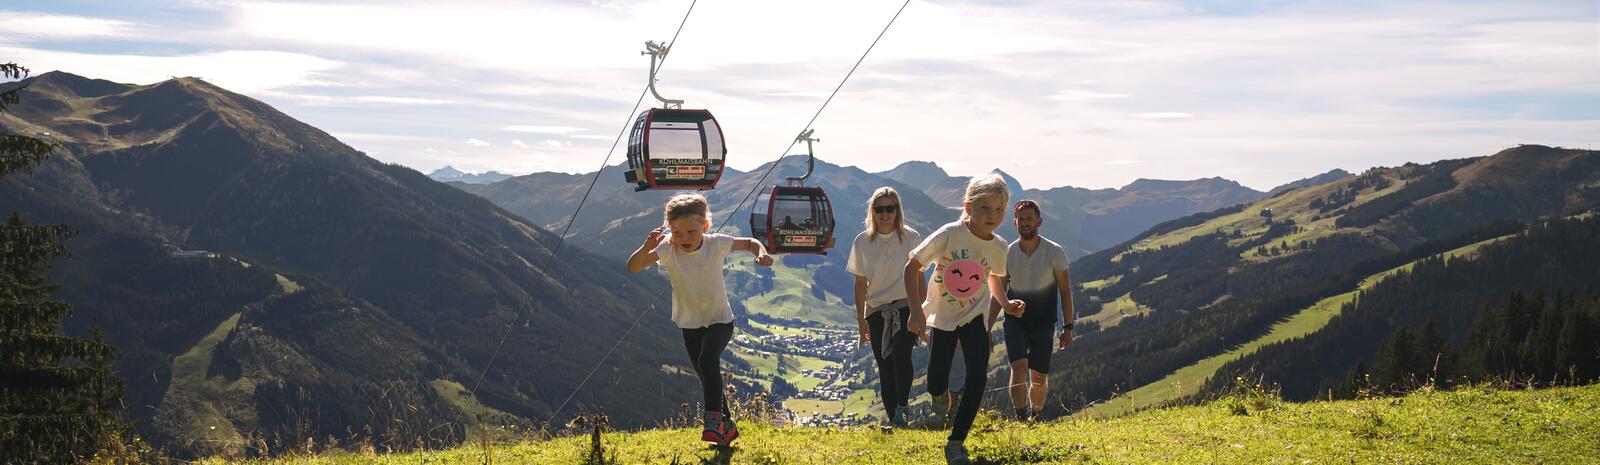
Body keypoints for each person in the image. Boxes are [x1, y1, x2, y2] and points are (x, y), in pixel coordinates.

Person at [627, 193, 774, 447]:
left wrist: (761, 253)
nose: (683, 238)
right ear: (668, 229)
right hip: (689, 323)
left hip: (720, 319)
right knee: (707, 376)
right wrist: (646, 245)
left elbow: (750, 243)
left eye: (691, 231)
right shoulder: (667, 248)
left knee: (708, 360)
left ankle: (712, 420)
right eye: (676, 231)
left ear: (705, 226)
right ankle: (726, 430)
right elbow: (634, 267)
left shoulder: (715, 243)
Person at [905, 174, 1022, 465]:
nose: (992, 216)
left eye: (999, 210)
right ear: (968, 206)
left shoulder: (999, 247)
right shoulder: (950, 233)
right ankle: (938, 394)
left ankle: (956, 442)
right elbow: (912, 267)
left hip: (973, 319)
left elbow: (995, 278)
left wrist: (1005, 303)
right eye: (984, 208)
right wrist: (917, 310)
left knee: (977, 379)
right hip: (942, 319)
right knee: (936, 380)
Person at [845, 187, 922, 430]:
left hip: (905, 306)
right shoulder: (862, 241)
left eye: (890, 208)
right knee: (885, 365)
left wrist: (921, 310)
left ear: (897, 211)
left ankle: (902, 406)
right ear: (873, 212)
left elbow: (920, 278)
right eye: (880, 209)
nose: (885, 214)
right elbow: (860, 283)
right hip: (876, 310)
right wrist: (861, 319)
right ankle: (894, 420)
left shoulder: (911, 238)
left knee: (901, 354)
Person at [1001, 200, 1074, 421]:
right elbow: (999, 291)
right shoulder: (1008, 253)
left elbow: (1065, 292)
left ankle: (1036, 416)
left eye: (1029, 219)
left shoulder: (1054, 251)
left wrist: (1068, 327)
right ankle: (1021, 417)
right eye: (1021, 220)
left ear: (1039, 221)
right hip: (1015, 320)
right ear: (1015, 223)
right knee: (1019, 368)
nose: (1025, 223)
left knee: (1039, 377)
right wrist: (986, 326)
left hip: (1043, 323)